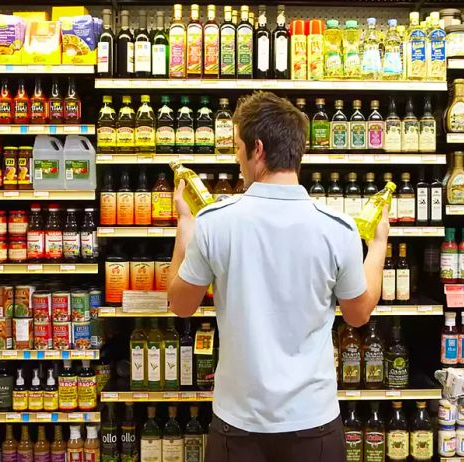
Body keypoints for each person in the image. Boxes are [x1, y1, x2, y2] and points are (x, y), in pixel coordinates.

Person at [167, 91, 389, 462]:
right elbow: (358, 314)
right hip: (314, 422)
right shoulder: (338, 228)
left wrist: (184, 226)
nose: (237, 160)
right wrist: (379, 242)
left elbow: (180, 304)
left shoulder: (214, 223)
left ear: (257, 149)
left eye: (237, 148)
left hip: (237, 425)